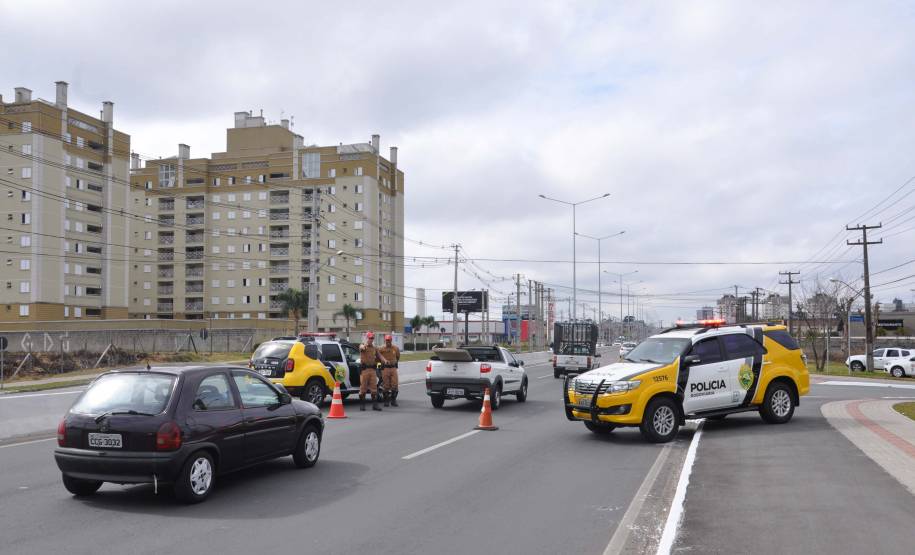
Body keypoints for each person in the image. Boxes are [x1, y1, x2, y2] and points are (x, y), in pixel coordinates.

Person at [358, 332, 387, 411]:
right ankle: (362, 404)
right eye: (370, 338)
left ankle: (375, 405)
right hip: (365, 370)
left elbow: (379, 355)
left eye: (372, 338)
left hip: (372, 370)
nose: (371, 339)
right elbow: (361, 348)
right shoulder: (363, 345)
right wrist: (364, 346)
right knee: (363, 388)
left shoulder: (374, 348)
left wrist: (384, 360)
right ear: (367, 338)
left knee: (374, 388)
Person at [378, 334, 402, 407]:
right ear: (385, 340)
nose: (388, 341)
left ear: (391, 340)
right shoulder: (381, 348)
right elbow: (378, 356)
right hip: (385, 368)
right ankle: (386, 401)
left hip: (393, 368)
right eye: (386, 340)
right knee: (386, 385)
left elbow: (398, 357)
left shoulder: (395, 348)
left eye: (389, 340)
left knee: (395, 384)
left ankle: (393, 400)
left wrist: (394, 362)